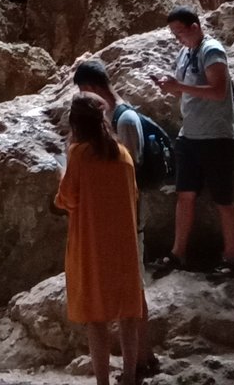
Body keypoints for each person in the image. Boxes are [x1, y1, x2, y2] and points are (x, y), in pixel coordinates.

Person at [55, 94, 148, 385]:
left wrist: (60, 174)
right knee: (128, 315)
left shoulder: (80, 155)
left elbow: (66, 198)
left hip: (92, 247)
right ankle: (130, 377)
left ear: (75, 125)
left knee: (97, 318)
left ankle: (103, 383)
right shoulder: (123, 155)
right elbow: (132, 196)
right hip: (124, 247)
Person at [151, 7, 234, 279]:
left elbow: (218, 91)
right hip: (189, 136)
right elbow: (185, 87)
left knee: (223, 199)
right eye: (174, 33)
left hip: (216, 137)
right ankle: (178, 253)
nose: (177, 38)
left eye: (180, 32)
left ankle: (231, 259)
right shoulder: (186, 53)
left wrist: (179, 87)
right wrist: (170, 84)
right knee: (184, 195)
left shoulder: (211, 51)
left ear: (195, 27)